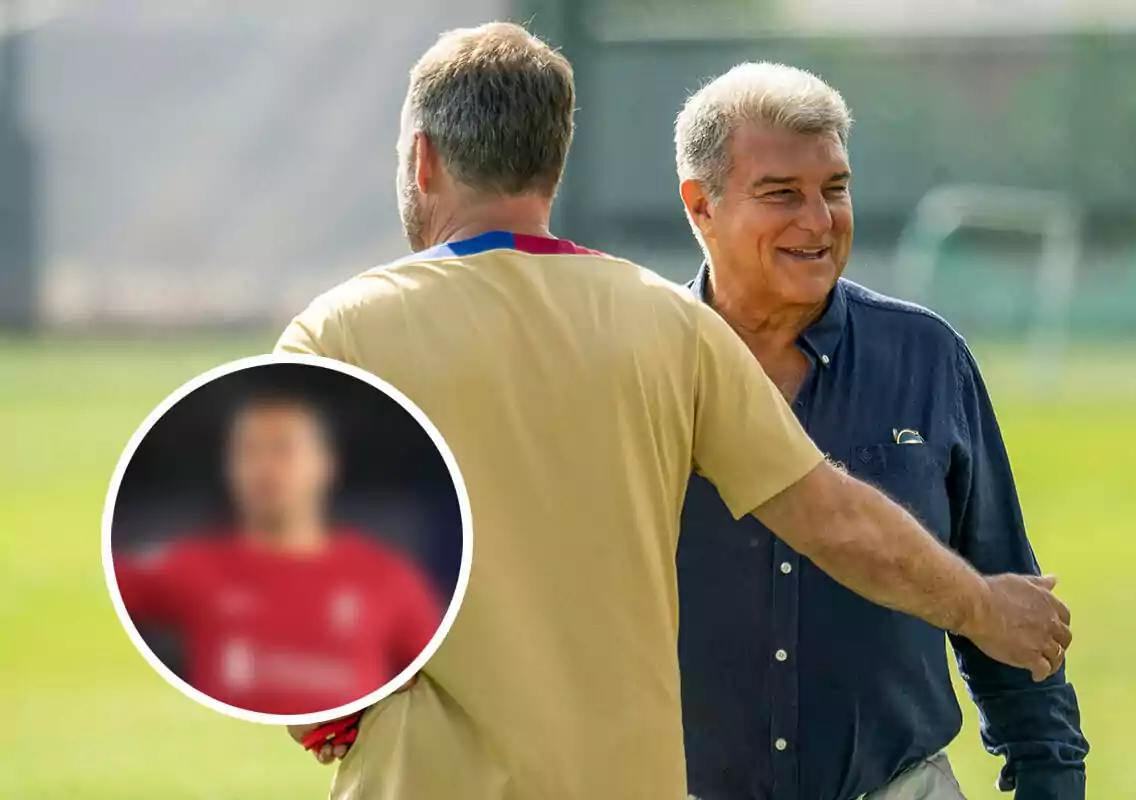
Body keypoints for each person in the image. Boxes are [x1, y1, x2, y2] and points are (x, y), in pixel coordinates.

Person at [274, 23, 1072, 800]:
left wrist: (331, 717)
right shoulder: (668, 326)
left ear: (423, 159)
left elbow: (261, 586)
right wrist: (981, 605)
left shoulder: (336, 334)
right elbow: (834, 518)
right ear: (556, 160)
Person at [672, 63, 1088, 800]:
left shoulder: (926, 358)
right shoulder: (642, 368)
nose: (820, 220)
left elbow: (1003, 593)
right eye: (782, 195)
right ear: (701, 206)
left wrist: (1050, 773)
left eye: (835, 188)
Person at [114, 391, 445, 716]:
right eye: (250, 452)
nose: (265, 468)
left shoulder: (386, 577)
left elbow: (449, 685)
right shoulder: (193, 566)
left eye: (283, 450)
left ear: (325, 465)